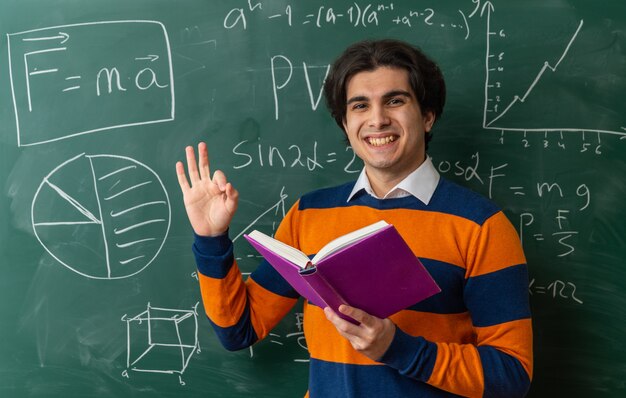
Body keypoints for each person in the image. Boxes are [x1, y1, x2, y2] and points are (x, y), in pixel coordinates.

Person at [176, 39, 533, 397]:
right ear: (345, 124)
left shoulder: (481, 225)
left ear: (427, 116)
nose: (377, 120)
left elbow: (512, 374)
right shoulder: (308, 214)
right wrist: (211, 239)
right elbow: (239, 330)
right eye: (360, 105)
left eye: (395, 100)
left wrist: (398, 349)